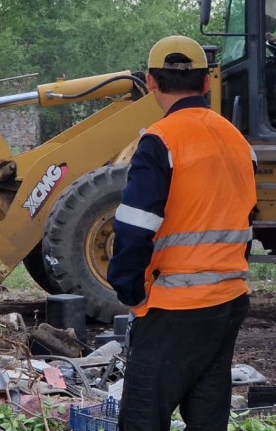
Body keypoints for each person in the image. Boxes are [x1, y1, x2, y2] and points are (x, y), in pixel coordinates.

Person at [107, 35, 257, 431]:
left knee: (142, 418)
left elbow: (135, 226)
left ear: (150, 82)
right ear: (207, 83)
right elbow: (245, 217)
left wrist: (129, 289)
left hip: (174, 307)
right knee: (208, 418)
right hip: (228, 300)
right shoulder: (237, 141)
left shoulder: (160, 140)